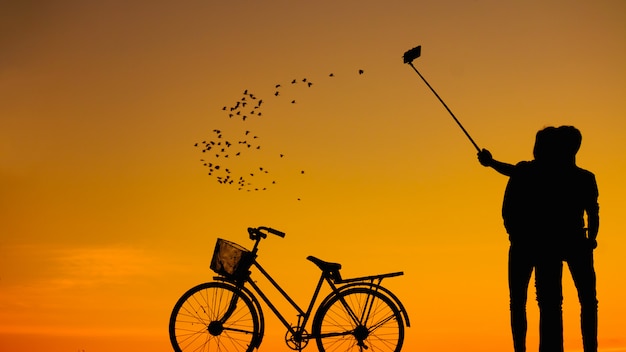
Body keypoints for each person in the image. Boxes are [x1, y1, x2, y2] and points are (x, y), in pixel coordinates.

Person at [478, 126, 599, 352]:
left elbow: (512, 174)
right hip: (552, 244)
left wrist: (491, 163)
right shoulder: (578, 176)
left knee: (544, 302)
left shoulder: (539, 172)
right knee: (559, 302)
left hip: (549, 245)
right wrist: (591, 239)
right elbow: (593, 212)